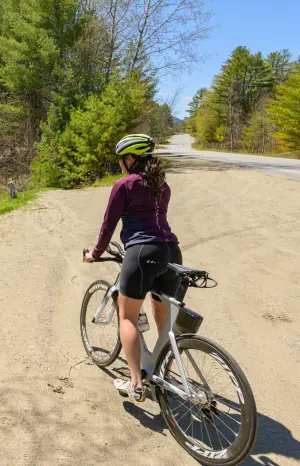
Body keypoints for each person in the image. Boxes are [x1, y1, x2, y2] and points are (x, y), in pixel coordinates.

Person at [84, 134, 181, 402]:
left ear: (130, 158)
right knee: (162, 315)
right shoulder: (164, 187)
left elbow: (108, 225)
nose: (120, 166)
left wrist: (95, 253)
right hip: (172, 251)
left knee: (127, 317)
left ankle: (135, 382)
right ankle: (164, 371)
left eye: (121, 161)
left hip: (141, 253)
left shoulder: (124, 185)